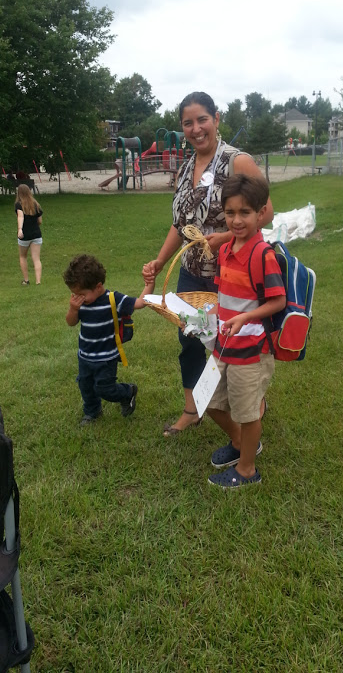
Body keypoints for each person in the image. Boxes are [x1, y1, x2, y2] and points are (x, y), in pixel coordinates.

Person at [142, 91, 274, 436]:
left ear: (216, 119)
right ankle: (193, 409)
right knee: (189, 339)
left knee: (232, 342)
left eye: (202, 119)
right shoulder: (186, 167)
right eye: (188, 123)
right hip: (191, 272)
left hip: (231, 274)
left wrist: (227, 238)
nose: (196, 128)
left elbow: (265, 212)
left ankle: (251, 405)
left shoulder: (236, 161)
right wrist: (160, 261)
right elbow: (180, 225)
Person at [205, 174, 286, 488]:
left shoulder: (263, 255)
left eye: (245, 212)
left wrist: (246, 317)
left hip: (251, 351)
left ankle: (247, 469)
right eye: (230, 213)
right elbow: (222, 296)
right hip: (224, 344)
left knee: (248, 413)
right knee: (209, 400)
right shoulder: (225, 250)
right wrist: (203, 318)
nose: (236, 220)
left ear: (261, 213)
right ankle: (240, 442)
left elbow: (278, 301)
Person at [63, 254, 155, 426]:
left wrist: (149, 283)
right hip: (85, 356)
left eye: (81, 294)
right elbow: (71, 322)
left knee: (105, 389)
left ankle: (128, 392)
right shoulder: (80, 304)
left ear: (98, 287)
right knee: (86, 387)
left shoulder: (113, 299)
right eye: (74, 294)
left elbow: (140, 303)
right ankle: (92, 412)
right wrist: (73, 309)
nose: (77, 298)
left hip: (106, 358)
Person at [15, 183, 43, 285]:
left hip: (25, 235)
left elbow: (20, 217)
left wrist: (20, 229)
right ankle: (38, 281)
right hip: (36, 234)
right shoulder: (36, 204)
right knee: (36, 259)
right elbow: (40, 221)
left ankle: (26, 280)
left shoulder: (19, 204)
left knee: (23, 256)